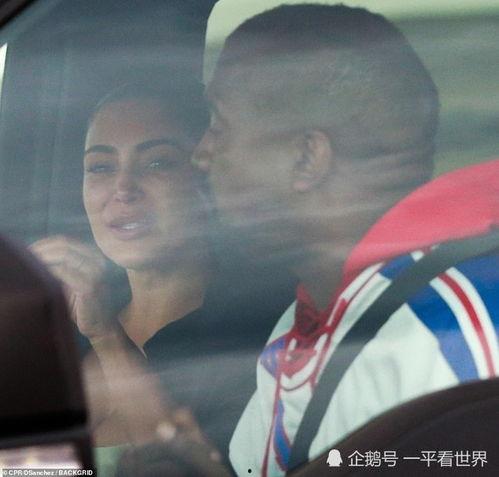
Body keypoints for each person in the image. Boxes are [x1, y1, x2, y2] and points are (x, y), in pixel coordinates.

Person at [192, 4, 499, 476]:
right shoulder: (310, 321)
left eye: (219, 126)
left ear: (306, 158)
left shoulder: (442, 332)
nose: (201, 154)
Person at [30, 76, 293, 469]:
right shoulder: (61, 333)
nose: (123, 188)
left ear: (205, 178)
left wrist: (107, 338)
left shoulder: (255, 339)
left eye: (157, 163)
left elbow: (185, 467)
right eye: (100, 167)